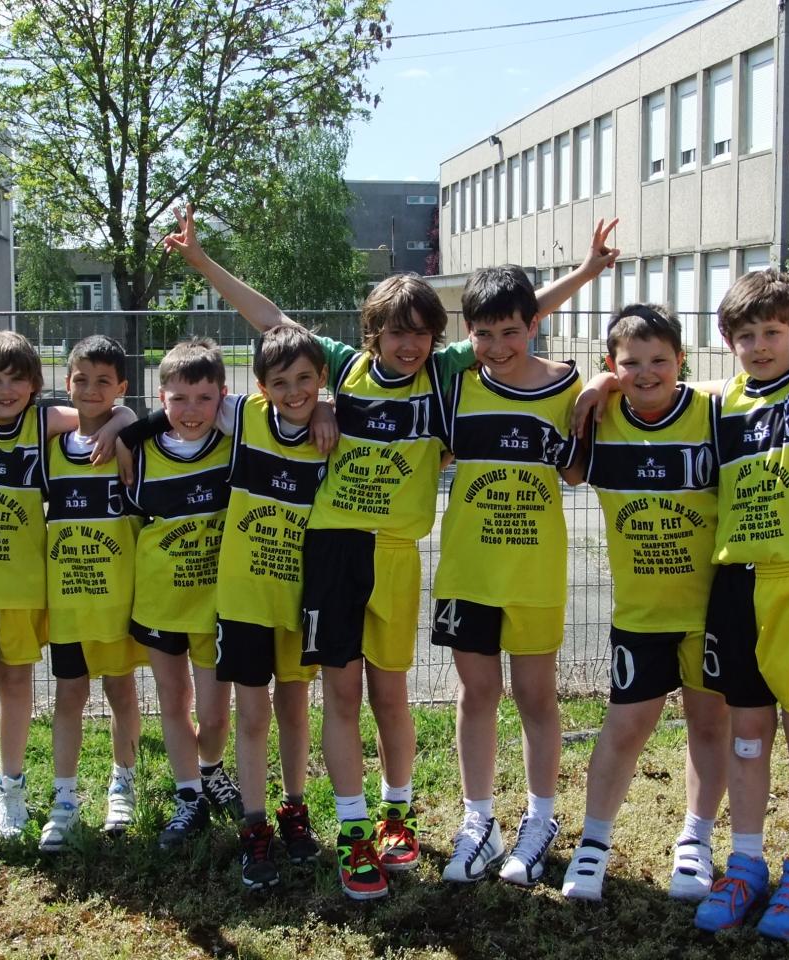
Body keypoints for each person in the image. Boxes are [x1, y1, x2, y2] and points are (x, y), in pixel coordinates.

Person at [163, 205, 616, 900]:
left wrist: (583, 275)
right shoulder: (340, 371)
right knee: (340, 695)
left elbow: (512, 325)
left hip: (399, 555)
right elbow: (271, 319)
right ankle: (352, 832)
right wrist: (201, 262)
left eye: (421, 335)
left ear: (437, 337)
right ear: (370, 335)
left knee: (392, 697)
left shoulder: (444, 374)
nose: (409, 347)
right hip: (334, 551)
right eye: (395, 335)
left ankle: (397, 814)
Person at [690, 118, 789, 940]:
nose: (758, 344)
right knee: (746, 736)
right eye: (745, 334)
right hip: (737, 586)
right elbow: (645, 391)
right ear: (731, 342)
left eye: (772, 332)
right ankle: (746, 863)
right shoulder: (721, 404)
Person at [0, 255, 131, 858]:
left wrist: (118, 425)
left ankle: (9, 791)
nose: (4, 390)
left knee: (16, 687)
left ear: (34, 386)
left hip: (22, 590)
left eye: (16, 380)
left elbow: (111, 410)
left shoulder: (43, 425)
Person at [560, 305, 728, 902]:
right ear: (613, 365)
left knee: (709, 725)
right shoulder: (599, 422)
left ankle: (696, 841)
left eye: (661, 360)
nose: (647, 371)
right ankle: (593, 845)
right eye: (631, 363)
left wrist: (608, 380)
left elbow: (748, 388)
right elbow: (570, 465)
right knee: (625, 725)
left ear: (681, 362)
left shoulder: (712, 412)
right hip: (640, 614)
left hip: (711, 610)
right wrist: (597, 388)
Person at [431, 265, 585, 888]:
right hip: (468, 568)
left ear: (534, 325)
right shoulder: (457, 385)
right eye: (485, 334)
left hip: (534, 571)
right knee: (476, 693)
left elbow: (575, 474)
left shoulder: (570, 387)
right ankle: (479, 821)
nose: (498, 346)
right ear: (469, 334)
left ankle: (540, 820)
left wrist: (598, 394)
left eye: (512, 332)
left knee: (535, 695)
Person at [212, 324, 330, 891]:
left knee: (294, 707)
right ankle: (254, 826)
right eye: (280, 382)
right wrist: (116, 423)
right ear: (260, 388)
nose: (294, 391)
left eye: (307, 379)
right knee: (252, 714)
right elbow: (177, 402)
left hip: (299, 596)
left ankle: (295, 810)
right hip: (244, 597)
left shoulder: (335, 431)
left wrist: (330, 408)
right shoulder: (244, 420)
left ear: (322, 379)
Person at [121, 339, 242, 848]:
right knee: (174, 700)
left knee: (214, 714)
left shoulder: (236, 442)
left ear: (222, 397)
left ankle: (211, 768)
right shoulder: (137, 451)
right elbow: (112, 426)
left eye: (203, 398)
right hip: (159, 599)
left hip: (217, 603)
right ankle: (188, 795)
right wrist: (128, 425)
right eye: (178, 399)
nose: (191, 411)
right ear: (161, 397)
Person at [38, 335, 148, 852]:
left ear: (121, 387)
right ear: (67, 384)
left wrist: (124, 419)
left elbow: (154, 419)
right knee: (69, 696)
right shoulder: (50, 447)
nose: (91, 389)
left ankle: (122, 782)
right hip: (67, 601)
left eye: (105, 381)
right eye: (81, 379)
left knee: (121, 692)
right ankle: (64, 799)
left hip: (117, 599)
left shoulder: (131, 441)